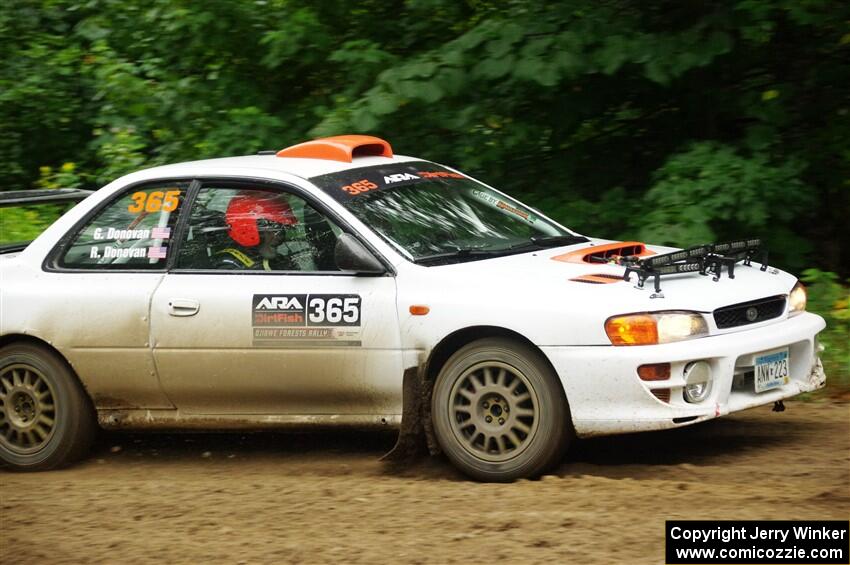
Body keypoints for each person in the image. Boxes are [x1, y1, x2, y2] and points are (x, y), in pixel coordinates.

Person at [216, 191, 298, 271]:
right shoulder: (228, 266)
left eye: (281, 229)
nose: (279, 236)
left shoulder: (278, 262)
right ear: (247, 229)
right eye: (273, 228)